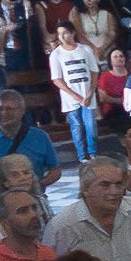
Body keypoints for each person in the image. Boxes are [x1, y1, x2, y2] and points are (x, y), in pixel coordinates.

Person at [0, 83, 61, 180]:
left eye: (9, 109)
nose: (4, 113)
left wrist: (38, 186)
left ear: (22, 111)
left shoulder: (39, 136)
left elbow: (55, 170)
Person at [50, 18, 102, 169]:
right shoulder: (56, 54)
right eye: (60, 34)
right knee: (76, 125)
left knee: (91, 125)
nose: (63, 37)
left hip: (87, 95)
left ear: (72, 33)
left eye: (66, 33)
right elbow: (57, 79)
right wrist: (76, 96)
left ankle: (93, 153)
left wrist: (90, 93)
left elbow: (94, 72)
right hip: (70, 97)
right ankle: (82, 155)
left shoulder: (85, 49)